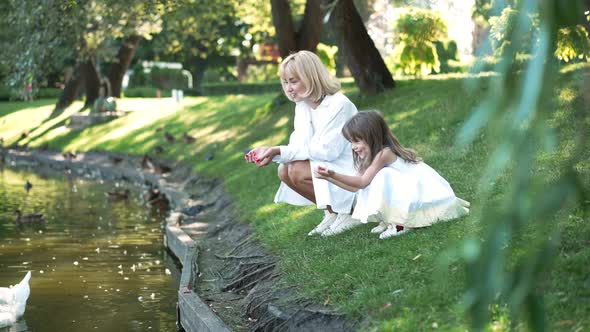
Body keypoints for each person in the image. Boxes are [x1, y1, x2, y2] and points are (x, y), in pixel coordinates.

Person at [245, 50, 360, 236]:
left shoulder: (339, 104)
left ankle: (350, 212)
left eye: (294, 81)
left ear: (311, 77)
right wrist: (272, 153)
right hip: (330, 164)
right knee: (284, 170)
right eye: (285, 82)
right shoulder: (303, 106)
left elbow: (328, 151)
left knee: (297, 170)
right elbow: (298, 145)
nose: (288, 88)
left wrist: (277, 150)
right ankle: (332, 212)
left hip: (352, 167)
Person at [314, 111, 470, 239]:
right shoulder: (368, 158)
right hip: (408, 192)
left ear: (371, 136)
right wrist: (330, 178)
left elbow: (362, 182)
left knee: (383, 175)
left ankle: (400, 223)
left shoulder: (384, 153)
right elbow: (356, 188)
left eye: (357, 141)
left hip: (420, 191)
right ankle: (388, 219)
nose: (354, 147)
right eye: (351, 142)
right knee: (374, 180)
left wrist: (334, 174)